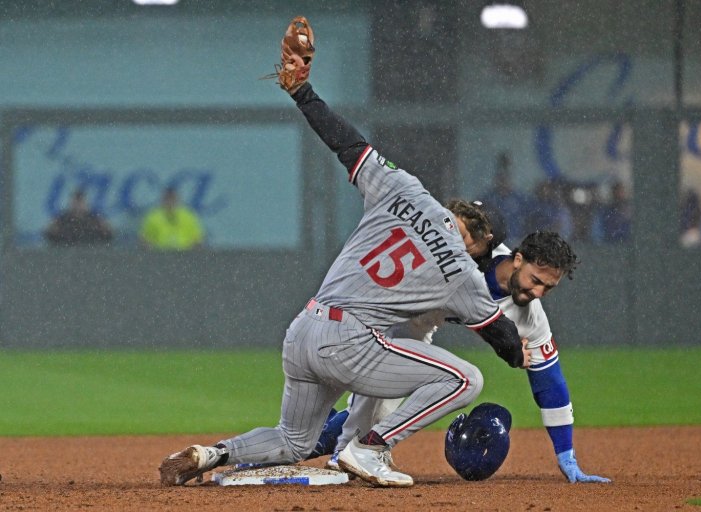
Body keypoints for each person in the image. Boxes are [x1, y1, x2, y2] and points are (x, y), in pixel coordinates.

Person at [159, 41, 531, 488]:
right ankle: (370, 448)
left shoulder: (404, 189)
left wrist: (303, 93)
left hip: (304, 329)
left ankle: (211, 454)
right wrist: (524, 355)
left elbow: (345, 143)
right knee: (465, 378)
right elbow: (502, 337)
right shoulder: (462, 270)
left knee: (294, 441)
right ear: (483, 240)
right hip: (348, 344)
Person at [324, 229, 611, 484]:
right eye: (536, 280)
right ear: (519, 259)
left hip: (419, 325)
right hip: (393, 309)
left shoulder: (530, 319)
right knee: (455, 382)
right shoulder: (472, 251)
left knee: (375, 419)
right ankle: (332, 440)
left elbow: (550, 385)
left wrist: (566, 454)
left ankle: (323, 439)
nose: (538, 291)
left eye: (548, 287)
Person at [479, 152, 530, 244]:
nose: (503, 181)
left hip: (515, 240)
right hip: (494, 240)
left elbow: (530, 218)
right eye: (501, 178)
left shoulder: (520, 198)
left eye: (506, 179)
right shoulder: (488, 197)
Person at [139, 187, 205, 250]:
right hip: (159, 256)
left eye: (172, 199)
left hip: (185, 256)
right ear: (162, 200)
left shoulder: (189, 217)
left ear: (178, 199)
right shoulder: (153, 217)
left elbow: (198, 240)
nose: (170, 202)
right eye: (167, 199)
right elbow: (144, 240)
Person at [44, 188, 113, 247]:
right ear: (70, 203)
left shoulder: (95, 220)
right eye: (75, 202)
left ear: (86, 203)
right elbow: (49, 235)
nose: (78, 206)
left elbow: (108, 235)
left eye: (80, 202)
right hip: (65, 256)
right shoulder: (61, 220)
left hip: (91, 255)